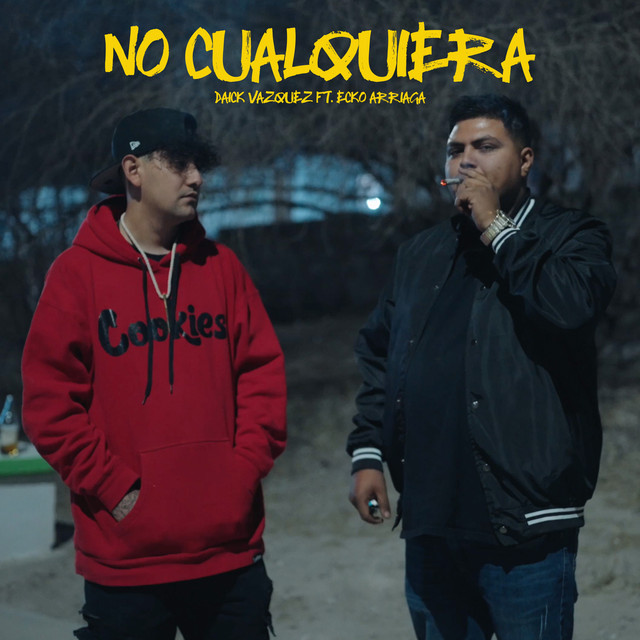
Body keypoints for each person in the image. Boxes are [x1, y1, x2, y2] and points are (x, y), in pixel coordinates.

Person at [346, 94, 616, 640]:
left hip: (524, 525)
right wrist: (368, 451)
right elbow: (380, 353)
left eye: (485, 146)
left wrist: (496, 225)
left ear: (525, 159)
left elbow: (570, 305)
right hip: (431, 521)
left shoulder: (571, 236)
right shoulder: (421, 254)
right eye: (455, 150)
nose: (465, 160)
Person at [22, 108, 287, 640]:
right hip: (127, 565)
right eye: (181, 163)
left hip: (228, 555)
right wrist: (116, 490)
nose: (197, 177)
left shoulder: (222, 268)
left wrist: (239, 474)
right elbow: (49, 406)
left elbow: (262, 378)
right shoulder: (76, 275)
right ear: (134, 170)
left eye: (199, 164)